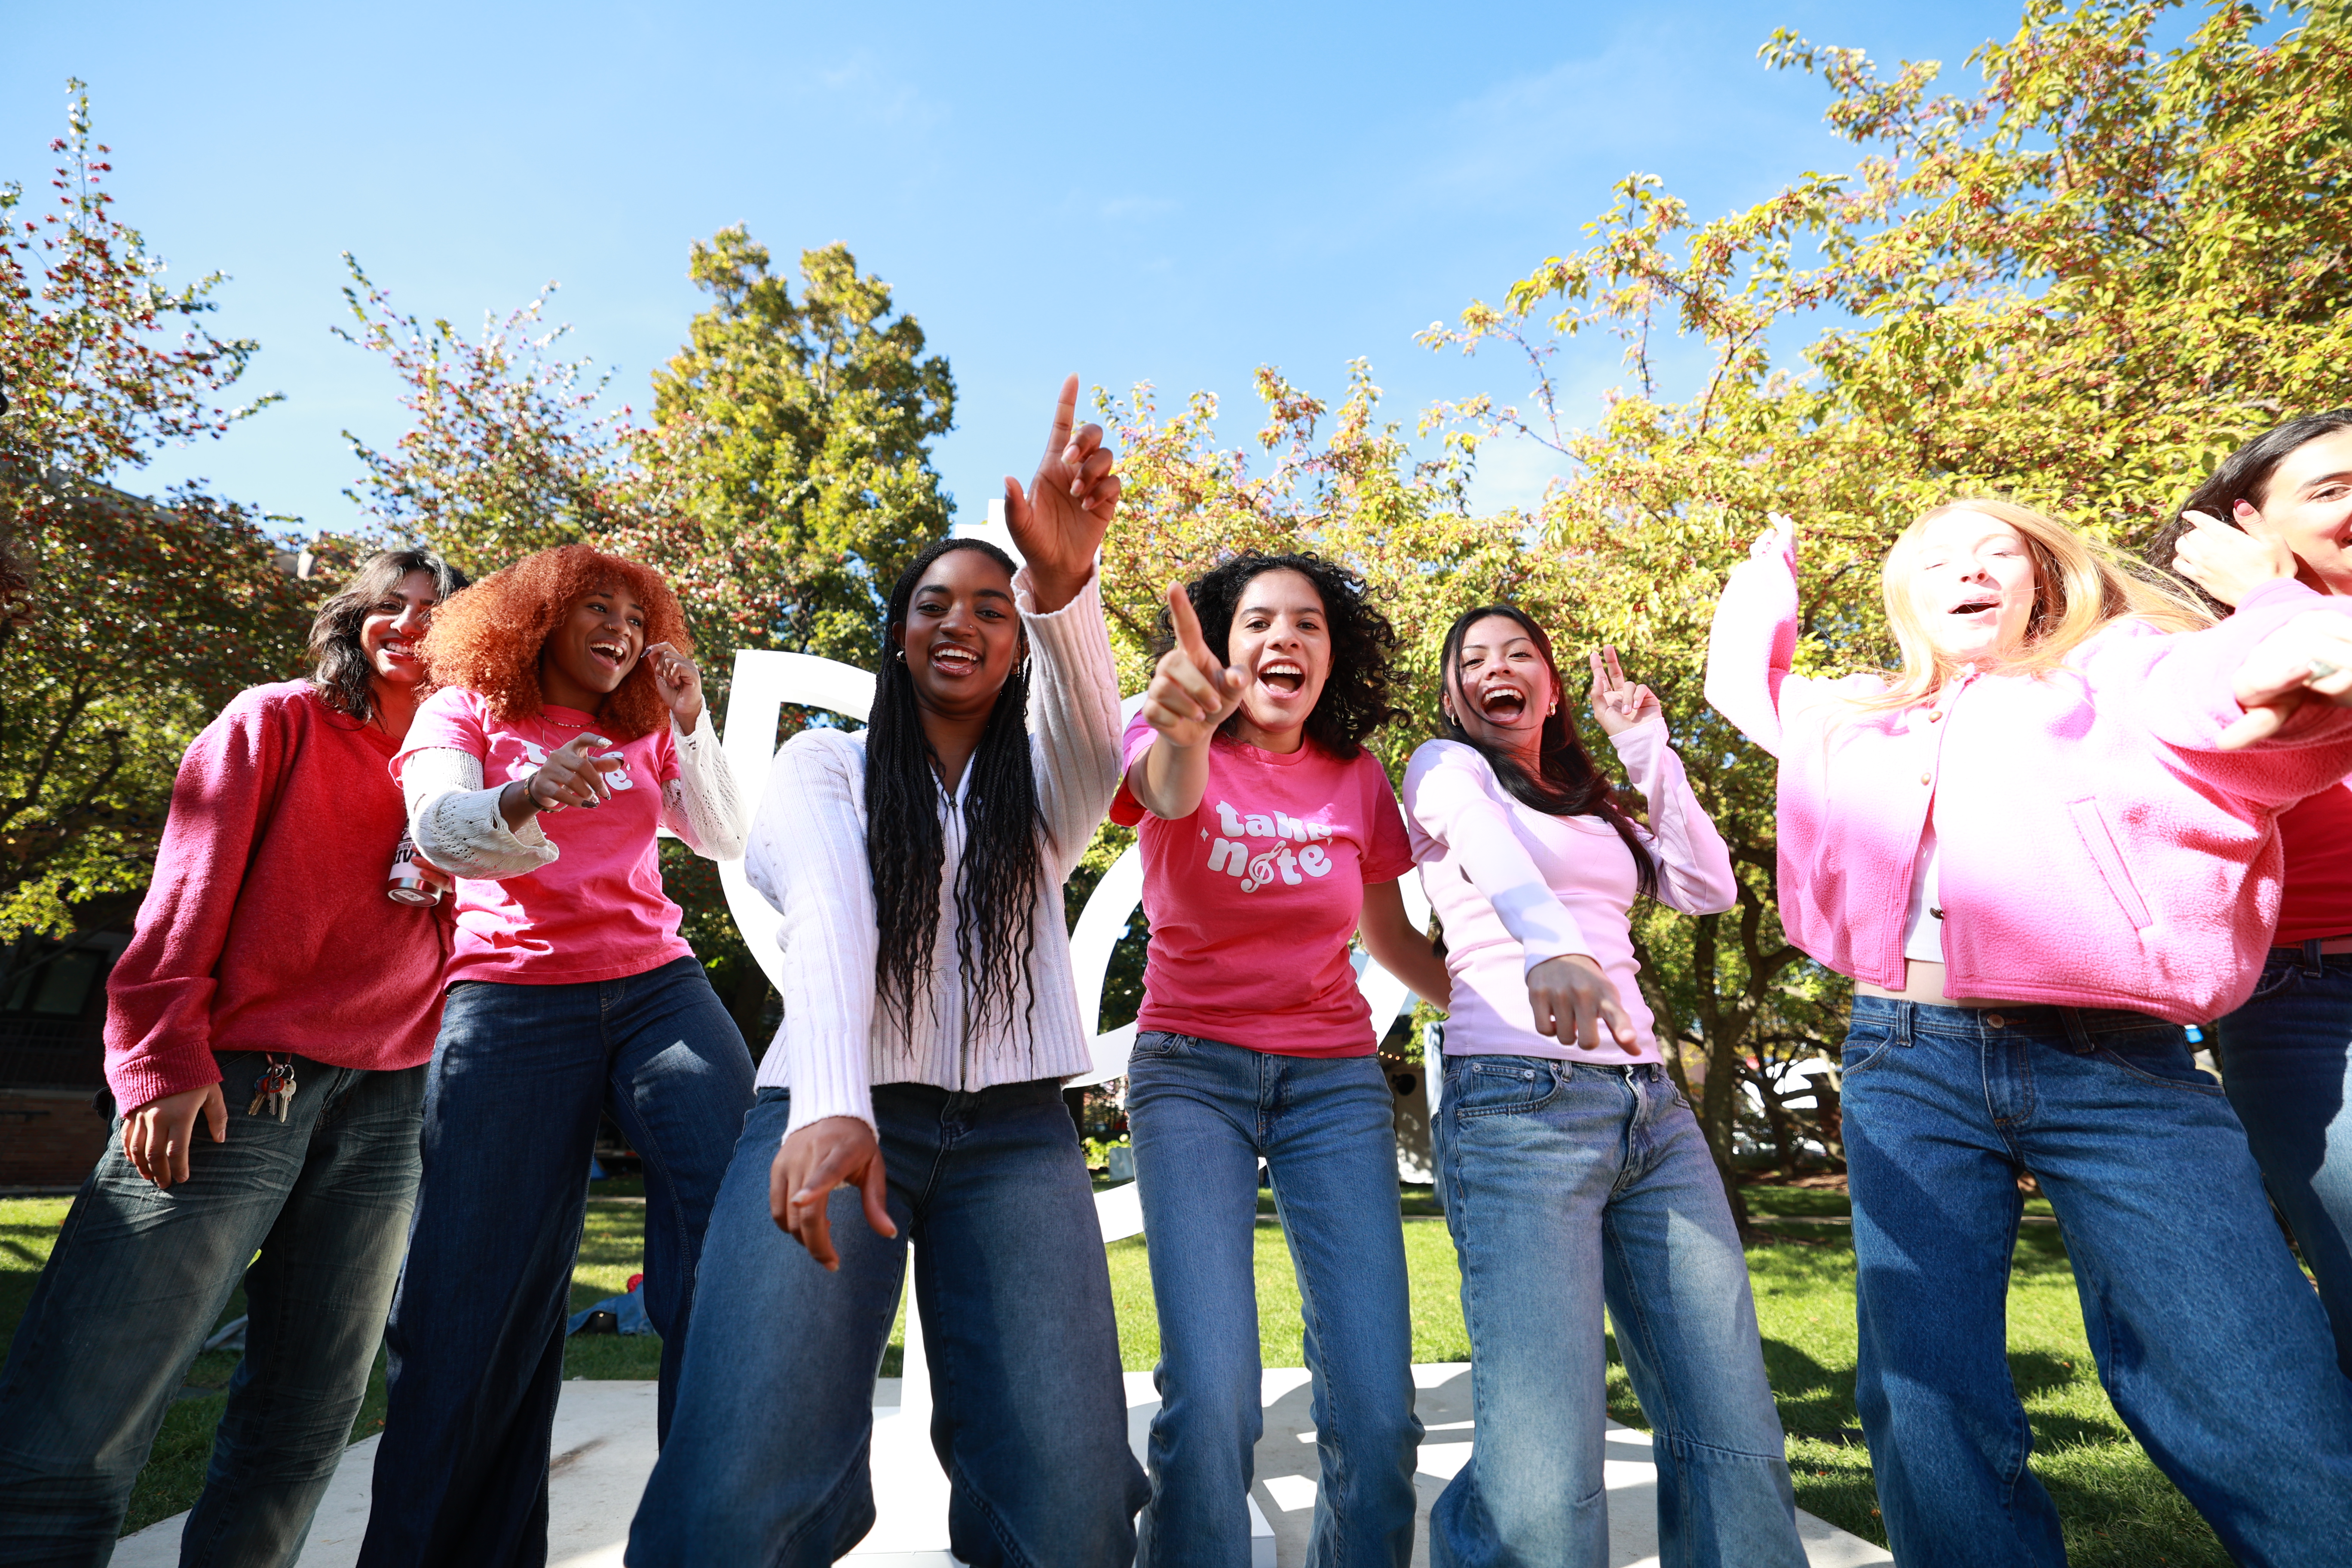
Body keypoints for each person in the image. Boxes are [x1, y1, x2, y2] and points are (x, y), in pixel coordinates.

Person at [1705, 500, 2352, 1566]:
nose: (1968, 571)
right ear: (1907, 597)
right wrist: (1767, 579)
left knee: (2247, 1375)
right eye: (1936, 560)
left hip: (2120, 1071)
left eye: (1994, 551)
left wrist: (2286, 622)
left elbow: (2221, 685)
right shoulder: (1865, 716)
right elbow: (1752, 691)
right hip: (1903, 1062)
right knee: (1925, 1394)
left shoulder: (2118, 676)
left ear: (2041, 579)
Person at [625, 378, 1145, 1567]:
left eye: (993, 608)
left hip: (1017, 1140)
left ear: (1018, 648)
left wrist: (1068, 590)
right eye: (932, 603)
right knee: (730, 1503)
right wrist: (832, 1104)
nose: (961, 621)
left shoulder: (1045, 794)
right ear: (899, 632)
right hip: (823, 1118)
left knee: (1074, 1520)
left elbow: (1096, 737)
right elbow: (830, 914)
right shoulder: (824, 764)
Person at [0, 550, 465, 1568]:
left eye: (436, 612)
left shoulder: (460, 767)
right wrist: (164, 1061)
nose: (411, 625)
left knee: (306, 1421)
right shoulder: (277, 721)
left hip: (390, 1103)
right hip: (238, 1082)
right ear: (354, 619)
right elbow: (183, 897)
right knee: (87, 1407)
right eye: (390, 606)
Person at [357, 544, 754, 1568]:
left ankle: (706, 1535)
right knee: (469, 1300)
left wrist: (692, 717)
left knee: (740, 1231)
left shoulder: (641, 726)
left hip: (656, 987)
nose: (622, 627)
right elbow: (441, 835)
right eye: (596, 607)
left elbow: (722, 834)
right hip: (512, 1004)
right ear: (536, 619)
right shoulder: (465, 710)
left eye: (638, 612)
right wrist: (530, 791)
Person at [1400, 607, 1806, 1568]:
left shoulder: (1594, 804)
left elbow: (1708, 888)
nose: (1495, 669)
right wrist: (1555, 944)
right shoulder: (1442, 770)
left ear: (1549, 684)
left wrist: (1645, 747)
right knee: (1548, 1445)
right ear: (1454, 692)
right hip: (1516, 1104)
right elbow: (1488, 854)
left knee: (1729, 1411)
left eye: (1518, 655)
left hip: (1650, 1108)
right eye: (1472, 660)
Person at [1116, 551, 1448, 1568]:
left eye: (1307, 623)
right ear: (1221, 646)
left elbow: (1390, 940)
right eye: (1258, 621)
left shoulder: (1356, 775)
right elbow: (1166, 795)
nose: (1284, 639)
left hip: (1332, 1084)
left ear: (1330, 655)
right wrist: (1184, 727)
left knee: (1381, 1410)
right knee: (1213, 1397)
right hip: (1189, 1076)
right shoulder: (1167, 726)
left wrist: (1503, 1007)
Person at [2147, 409, 2352, 1374]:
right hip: (2311, 999)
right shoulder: (2198, 654)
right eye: (2332, 489)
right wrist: (2275, 614)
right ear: (2246, 524)